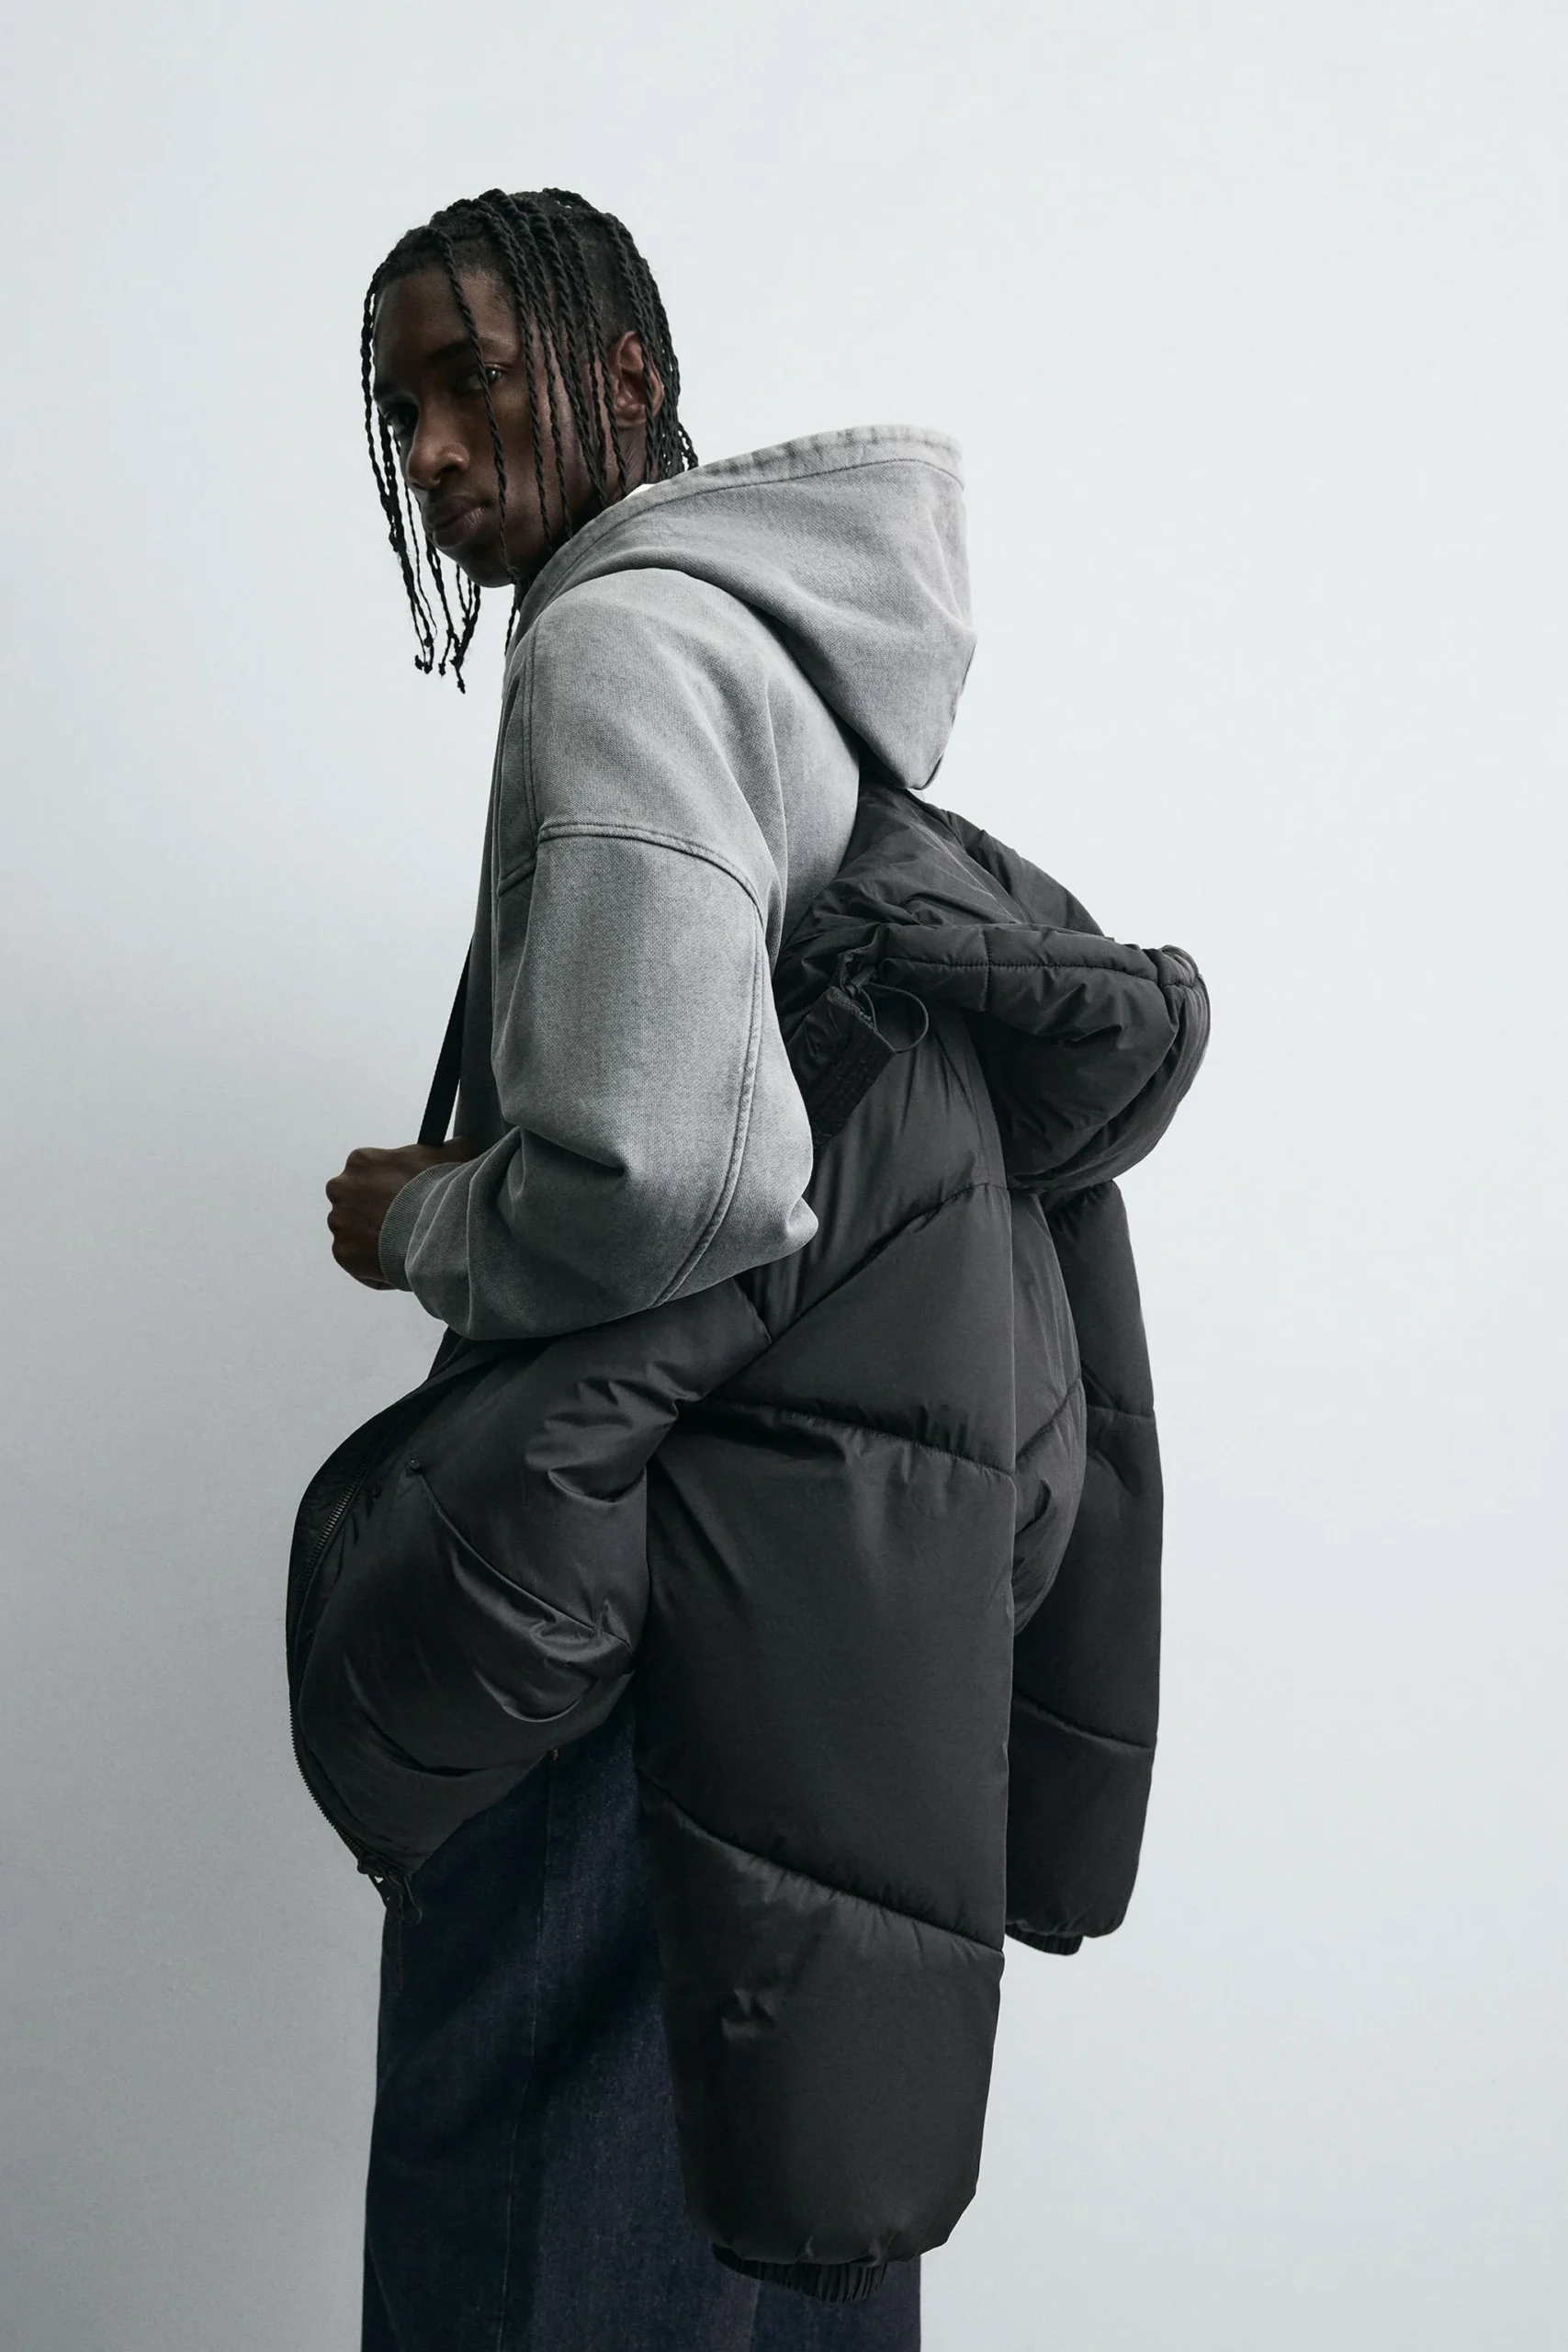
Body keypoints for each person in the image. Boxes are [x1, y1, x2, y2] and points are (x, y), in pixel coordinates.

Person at [315, 185, 1205, 2352]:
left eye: (474, 380)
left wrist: (425, 1217)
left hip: (648, 1566)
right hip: (830, 1579)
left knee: (541, 2213)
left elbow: (675, 1177)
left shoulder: (622, 644)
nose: (434, 449)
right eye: (402, 407)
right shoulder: (795, 659)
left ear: (620, 377)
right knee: (771, 2207)